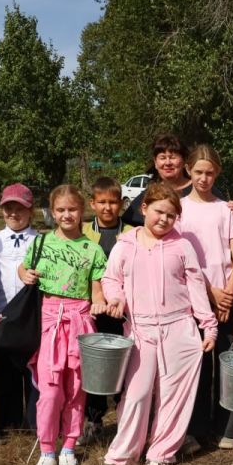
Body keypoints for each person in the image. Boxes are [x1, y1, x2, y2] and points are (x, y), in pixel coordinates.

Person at [99, 184, 218, 465]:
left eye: (171, 215)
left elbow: (196, 288)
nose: (164, 219)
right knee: (137, 392)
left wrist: (209, 326)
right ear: (144, 209)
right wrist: (116, 298)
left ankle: (162, 452)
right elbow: (111, 279)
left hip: (179, 328)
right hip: (140, 330)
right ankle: (124, 453)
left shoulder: (182, 246)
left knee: (172, 394)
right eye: (158, 212)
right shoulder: (125, 244)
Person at [18, 185, 108, 465]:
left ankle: (69, 447)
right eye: (60, 210)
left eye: (72, 209)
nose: (67, 215)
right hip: (48, 322)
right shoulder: (41, 243)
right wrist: (25, 274)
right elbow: (23, 268)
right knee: (50, 389)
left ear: (82, 211)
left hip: (79, 321)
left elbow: (97, 288)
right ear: (52, 212)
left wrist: (100, 301)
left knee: (75, 388)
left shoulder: (92, 248)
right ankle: (47, 451)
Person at [178, 144, 233, 451]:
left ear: (217, 173)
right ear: (189, 171)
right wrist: (210, 291)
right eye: (199, 172)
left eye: (210, 173)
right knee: (200, 365)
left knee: (228, 361)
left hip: (228, 298)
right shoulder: (179, 210)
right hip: (196, 299)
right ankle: (196, 428)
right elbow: (184, 258)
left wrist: (228, 291)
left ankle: (226, 427)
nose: (204, 179)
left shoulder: (225, 210)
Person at [78, 176, 133, 445]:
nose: (107, 208)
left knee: (125, 365)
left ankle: (125, 417)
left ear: (122, 204)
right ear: (92, 203)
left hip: (123, 312)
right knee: (95, 366)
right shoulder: (83, 232)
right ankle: (94, 419)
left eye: (113, 202)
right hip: (93, 312)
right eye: (101, 202)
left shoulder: (132, 232)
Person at [0, 182, 39, 443]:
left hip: (31, 319)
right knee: (3, 373)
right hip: (2, 317)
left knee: (33, 371)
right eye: (8, 208)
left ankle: (35, 421)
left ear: (31, 211)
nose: (14, 213)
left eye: (20, 208)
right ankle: (3, 424)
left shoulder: (42, 242)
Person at [122, 134, 233, 226]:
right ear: (155, 163)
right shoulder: (151, 192)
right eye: (162, 158)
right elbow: (128, 223)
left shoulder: (203, 188)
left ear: (184, 161)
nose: (168, 163)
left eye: (173, 157)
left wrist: (232, 210)